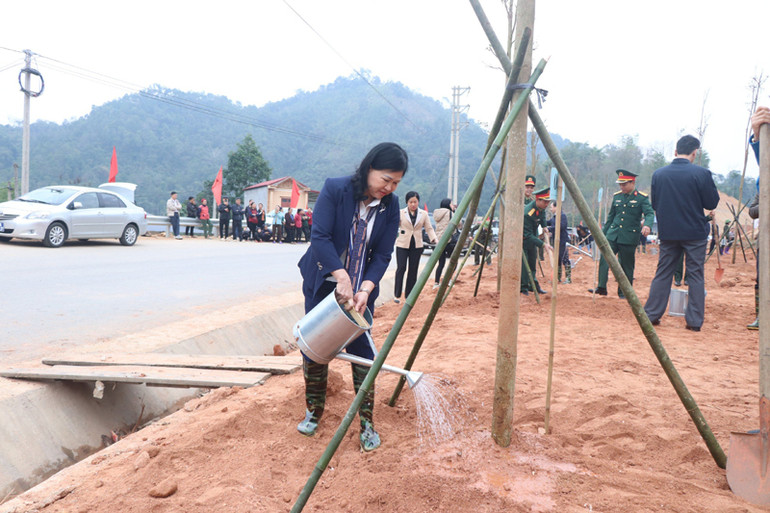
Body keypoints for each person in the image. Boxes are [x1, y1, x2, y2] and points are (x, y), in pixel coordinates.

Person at [296, 142, 408, 452]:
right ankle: (313, 412)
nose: (389, 187)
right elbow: (318, 236)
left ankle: (367, 423)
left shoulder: (390, 205)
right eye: (386, 179)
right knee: (315, 347)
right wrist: (341, 275)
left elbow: (384, 253)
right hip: (324, 283)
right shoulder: (336, 189)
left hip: (360, 293)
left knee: (364, 353)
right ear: (369, 168)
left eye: (396, 182)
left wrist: (367, 287)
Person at [643, 135, 720, 332]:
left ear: (675, 151)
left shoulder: (659, 175)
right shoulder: (702, 173)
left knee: (663, 273)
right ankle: (694, 321)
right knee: (695, 275)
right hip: (695, 233)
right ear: (694, 153)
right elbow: (711, 203)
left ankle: (651, 315)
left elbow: (655, 204)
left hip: (669, 233)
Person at [588, 170, 654, 299]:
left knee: (626, 266)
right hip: (613, 234)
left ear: (632, 183)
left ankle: (623, 292)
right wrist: (602, 234)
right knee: (605, 259)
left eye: (624, 184)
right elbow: (611, 216)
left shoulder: (641, 198)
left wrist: (647, 225)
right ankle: (602, 287)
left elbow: (650, 214)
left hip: (629, 237)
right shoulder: (617, 196)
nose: (621, 187)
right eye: (620, 184)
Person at [746, 105, 769, 330]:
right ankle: (761, 316)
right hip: (766, 233)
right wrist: (757, 136)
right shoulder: (760, 184)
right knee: (762, 277)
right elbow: (753, 211)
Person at [393, 191, 437, 303]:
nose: (413, 204)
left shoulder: (424, 214)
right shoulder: (400, 212)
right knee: (401, 268)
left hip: (417, 245)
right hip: (402, 244)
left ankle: (409, 295)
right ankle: (397, 294)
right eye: (410, 202)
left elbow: (429, 228)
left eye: (415, 202)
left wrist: (434, 239)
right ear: (407, 202)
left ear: (418, 202)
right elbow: (393, 227)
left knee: (413, 270)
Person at [521, 187, 553, 295]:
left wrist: (544, 226)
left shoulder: (541, 208)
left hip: (532, 240)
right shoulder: (528, 214)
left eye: (548, 202)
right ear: (538, 200)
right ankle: (523, 288)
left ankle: (533, 285)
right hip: (524, 240)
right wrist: (543, 244)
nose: (547, 204)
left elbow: (542, 216)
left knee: (532, 264)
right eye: (545, 202)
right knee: (525, 267)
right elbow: (527, 234)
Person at [433, 198, 459, 289]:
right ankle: (448, 280)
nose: (453, 206)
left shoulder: (436, 213)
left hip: (440, 241)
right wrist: (455, 211)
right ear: (448, 205)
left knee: (441, 263)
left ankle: (436, 283)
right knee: (454, 262)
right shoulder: (451, 213)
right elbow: (459, 224)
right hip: (449, 240)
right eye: (452, 204)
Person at [547, 201, 572, 284]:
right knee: (557, 260)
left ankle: (568, 278)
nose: (550, 209)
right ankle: (557, 277)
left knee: (565, 259)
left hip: (562, 241)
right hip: (555, 241)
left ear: (556, 207)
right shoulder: (554, 217)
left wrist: (550, 229)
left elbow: (561, 226)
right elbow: (548, 222)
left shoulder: (562, 216)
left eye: (551, 207)